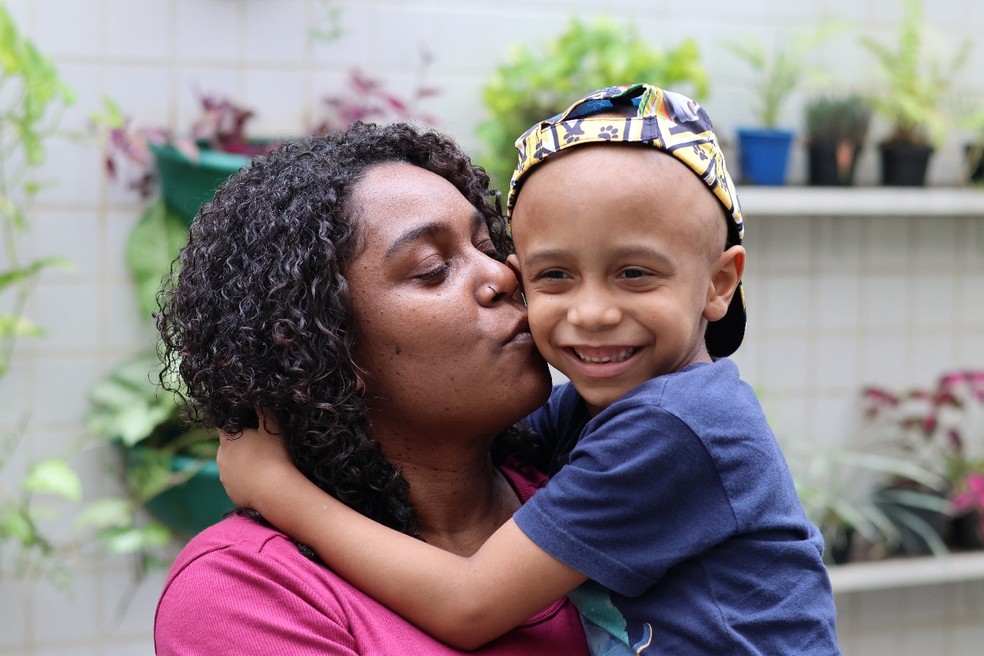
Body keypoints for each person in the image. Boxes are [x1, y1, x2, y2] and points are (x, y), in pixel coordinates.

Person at [218, 84, 841, 655]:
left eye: (633, 273)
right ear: (328, 344)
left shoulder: (674, 425)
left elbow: (470, 604)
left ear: (719, 283)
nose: (591, 313)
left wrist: (275, 487)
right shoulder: (598, 413)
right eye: (554, 275)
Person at [152, 121, 591, 655]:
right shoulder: (248, 592)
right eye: (433, 269)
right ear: (321, 347)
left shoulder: (599, 483)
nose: (503, 275)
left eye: (488, 246)